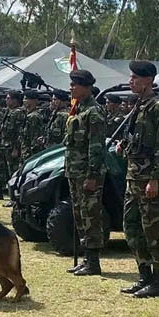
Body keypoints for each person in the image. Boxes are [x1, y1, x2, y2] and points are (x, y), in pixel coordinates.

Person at [115, 60, 159, 297]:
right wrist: (124, 144)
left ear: (148, 80)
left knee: (153, 230)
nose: (131, 81)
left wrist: (155, 179)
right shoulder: (139, 105)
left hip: (149, 178)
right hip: (134, 177)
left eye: (135, 78)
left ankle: (157, 281)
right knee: (131, 227)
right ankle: (144, 275)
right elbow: (138, 138)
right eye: (131, 77)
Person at [64, 70, 107, 276]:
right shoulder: (79, 109)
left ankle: (93, 262)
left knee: (90, 216)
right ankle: (85, 259)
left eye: (75, 84)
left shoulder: (94, 112)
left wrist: (92, 175)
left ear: (85, 87)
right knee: (80, 215)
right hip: (75, 172)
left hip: (87, 173)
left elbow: (96, 147)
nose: (71, 88)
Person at [0, 90, 27, 207]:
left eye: (8, 98)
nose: (6, 100)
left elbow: (19, 132)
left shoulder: (18, 113)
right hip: (6, 146)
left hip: (13, 147)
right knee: (9, 172)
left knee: (14, 173)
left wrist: (16, 148)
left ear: (15, 100)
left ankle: (15, 198)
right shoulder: (9, 112)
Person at [20, 90, 44, 161]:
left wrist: (32, 156)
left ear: (33, 101)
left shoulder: (33, 117)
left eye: (26, 99)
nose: (23, 101)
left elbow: (34, 138)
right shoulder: (28, 114)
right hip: (25, 151)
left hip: (30, 154)